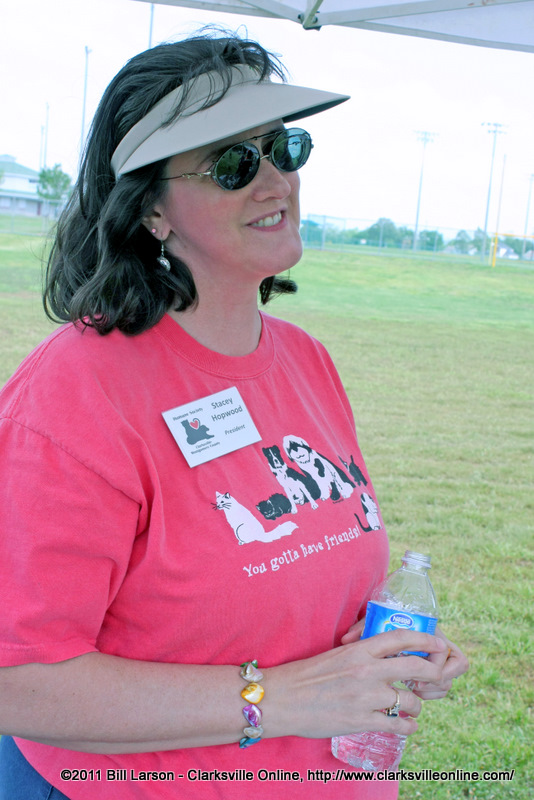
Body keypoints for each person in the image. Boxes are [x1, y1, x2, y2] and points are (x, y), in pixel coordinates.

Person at [0, 30, 468, 800]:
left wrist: (381, 655)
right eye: (232, 163)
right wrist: (274, 699)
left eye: (283, 148)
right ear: (152, 209)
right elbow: (19, 682)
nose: (275, 181)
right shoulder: (75, 392)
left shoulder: (306, 360)